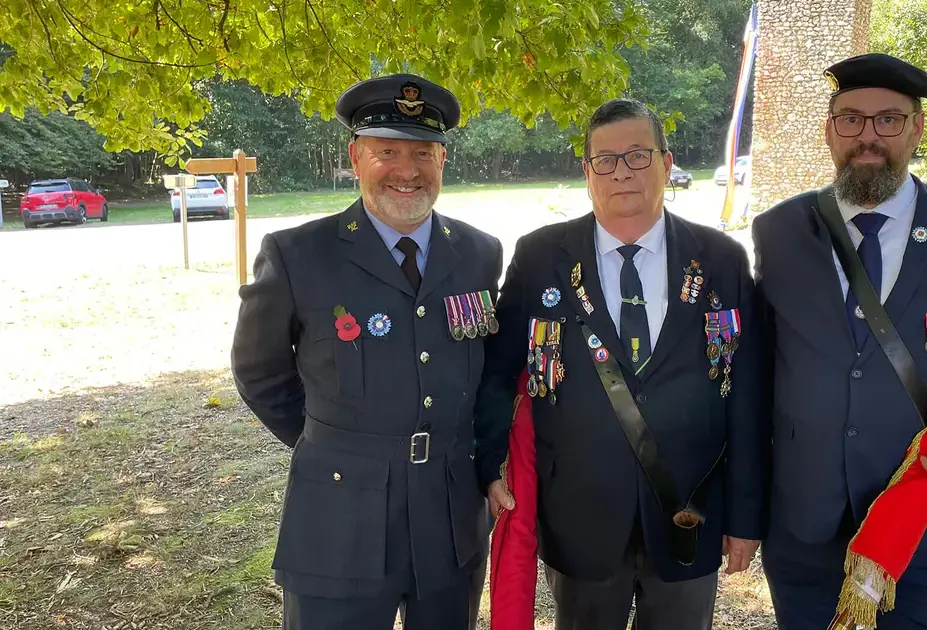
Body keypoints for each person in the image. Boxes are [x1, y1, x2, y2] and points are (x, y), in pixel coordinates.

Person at [751, 53, 927, 629]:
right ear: (830, 130)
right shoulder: (779, 231)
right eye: (851, 119)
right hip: (805, 532)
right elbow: (759, 368)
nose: (868, 137)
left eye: (888, 120)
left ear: (916, 128)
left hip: (922, 523)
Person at [473, 97, 769, 630]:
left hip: (690, 511)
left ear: (667, 163)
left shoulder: (722, 259)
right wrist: (490, 466)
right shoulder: (541, 257)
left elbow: (745, 394)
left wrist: (745, 515)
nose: (622, 172)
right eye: (605, 160)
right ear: (588, 172)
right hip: (578, 515)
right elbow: (497, 375)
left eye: (637, 155)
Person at [230, 73, 502, 630]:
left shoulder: (478, 253)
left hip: (450, 517)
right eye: (387, 152)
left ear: (442, 160)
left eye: (423, 152)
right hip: (339, 518)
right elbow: (260, 374)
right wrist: (336, 445)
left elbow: (489, 375)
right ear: (356, 157)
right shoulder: (297, 255)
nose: (407, 171)